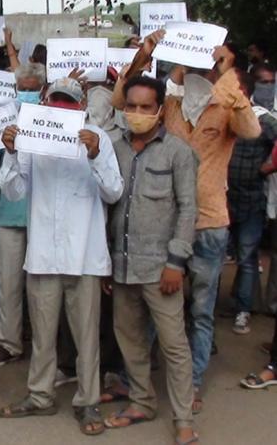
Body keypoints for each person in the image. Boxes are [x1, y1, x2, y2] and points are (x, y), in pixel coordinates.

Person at [115, 32, 261, 412]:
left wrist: (228, 74)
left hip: (209, 222)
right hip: (167, 224)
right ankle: (141, 384)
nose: (205, 65)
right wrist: (169, 58)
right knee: (156, 306)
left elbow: (253, 131)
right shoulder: (173, 106)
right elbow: (123, 102)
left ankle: (192, 383)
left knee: (200, 309)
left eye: (211, 60)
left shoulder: (227, 106)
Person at [0, 77, 123, 436]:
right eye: (56, 99)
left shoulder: (97, 137)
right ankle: (40, 396)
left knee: (86, 336)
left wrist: (96, 155)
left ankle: (88, 402)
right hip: (43, 254)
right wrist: (10, 152)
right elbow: (13, 190)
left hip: (85, 255)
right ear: (44, 100)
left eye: (68, 101)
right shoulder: (30, 137)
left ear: (81, 102)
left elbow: (114, 192)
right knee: (42, 334)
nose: (61, 106)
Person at [103, 76, 199, 445]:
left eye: (146, 107)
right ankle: (142, 400)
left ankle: (184, 418)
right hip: (122, 264)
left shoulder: (177, 151)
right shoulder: (113, 148)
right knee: (129, 340)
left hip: (162, 268)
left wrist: (177, 261)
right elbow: (107, 207)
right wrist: (106, 263)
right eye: (131, 106)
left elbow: (189, 209)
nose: (138, 114)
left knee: (174, 346)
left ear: (160, 110)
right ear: (123, 108)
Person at [0, 63, 44, 368]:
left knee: (42, 284)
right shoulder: (2, 116)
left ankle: (44, 344)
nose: (29, 94)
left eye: (34, 89)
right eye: (25, 89)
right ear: (16, 89)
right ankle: (8, 343)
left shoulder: (52, 120)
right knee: (8, 282)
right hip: (10, 214)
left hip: (43, 215)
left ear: (42, 90)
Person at [226, 71, 277, 334]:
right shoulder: (219, 115)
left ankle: (243, 310)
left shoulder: (265, 121)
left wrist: (265, 169)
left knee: (246, 257)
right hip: (220, 200)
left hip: (251, 201)